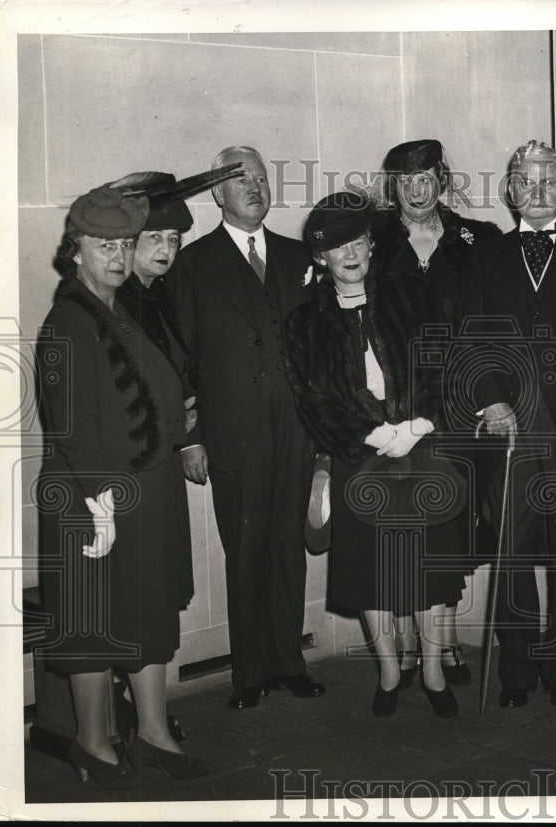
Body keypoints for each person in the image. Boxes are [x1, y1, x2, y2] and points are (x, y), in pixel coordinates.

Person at [36, 184, 205, 787]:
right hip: (94, 498)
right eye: (102, 245)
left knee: (147, 613)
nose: (116, 255)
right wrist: (102, 509)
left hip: (142, 491)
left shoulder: (117, 309)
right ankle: (91, 744)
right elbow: (75, 428)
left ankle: (155, 736)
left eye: (124, 244)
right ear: (75, 249)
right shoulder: (68, 319)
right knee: (95, 623)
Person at [284, 190, 465, 718]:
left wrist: (419, 423)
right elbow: (313, 400)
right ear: (321, 258)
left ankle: (432, 670)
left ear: (370, 245)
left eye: (358, 240)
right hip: (358, 457)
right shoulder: (304, 323)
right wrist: (374, 435)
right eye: (337, 246)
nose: (350, 253)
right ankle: (389, 670)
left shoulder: (412, 294)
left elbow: (441, 362)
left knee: (429, 566)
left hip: (422, 446)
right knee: (371, 570)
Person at [455, 140, 556, 710]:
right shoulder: (480, 257)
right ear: (509, 191)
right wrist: (493, 403)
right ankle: (517, 675)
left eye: (549, 180)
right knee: (513, 555)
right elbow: (467, 339)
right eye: (526, 182)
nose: (537, 191)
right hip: (509, 430)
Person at [166, 146, 323, 710]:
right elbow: (178, 356)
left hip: (296, 429)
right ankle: (250, 672)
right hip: (231, 430)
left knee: (288, 546)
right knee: (247, 547)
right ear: (217, 194)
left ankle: (289, 662)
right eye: (240, 181)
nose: (254, 188)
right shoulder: (191, 263)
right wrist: (190, 437)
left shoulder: (298, 255)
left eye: (261, 178)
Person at [372, 139, 502, 687]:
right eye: (407, 180)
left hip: (459, 406)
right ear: (393, 187)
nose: (419, 188)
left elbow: (496, 326)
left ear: (441, 178)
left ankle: (443, 645)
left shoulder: (478, 240)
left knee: (451, 524)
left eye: (427, 177)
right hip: (395, 406)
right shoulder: (372, 239)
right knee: (399, 526)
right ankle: (401, 647)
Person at [113, 172, 197, 418]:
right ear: (130, 242)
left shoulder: (160, 292)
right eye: (155, 237)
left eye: (173, 239)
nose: (167, 249)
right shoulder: (115, 299)